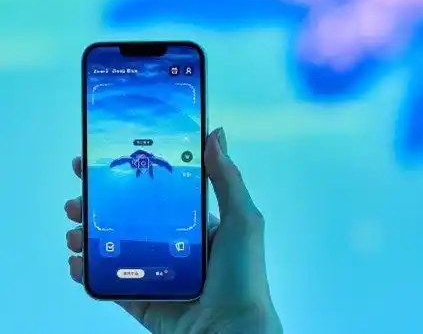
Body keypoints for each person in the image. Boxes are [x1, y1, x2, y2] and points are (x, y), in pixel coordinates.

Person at [64, 127, 283, 334]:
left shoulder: (150, 162)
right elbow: (123, 161)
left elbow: (155, 163)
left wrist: (231, 322)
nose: (142, 165)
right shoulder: (134, 161)